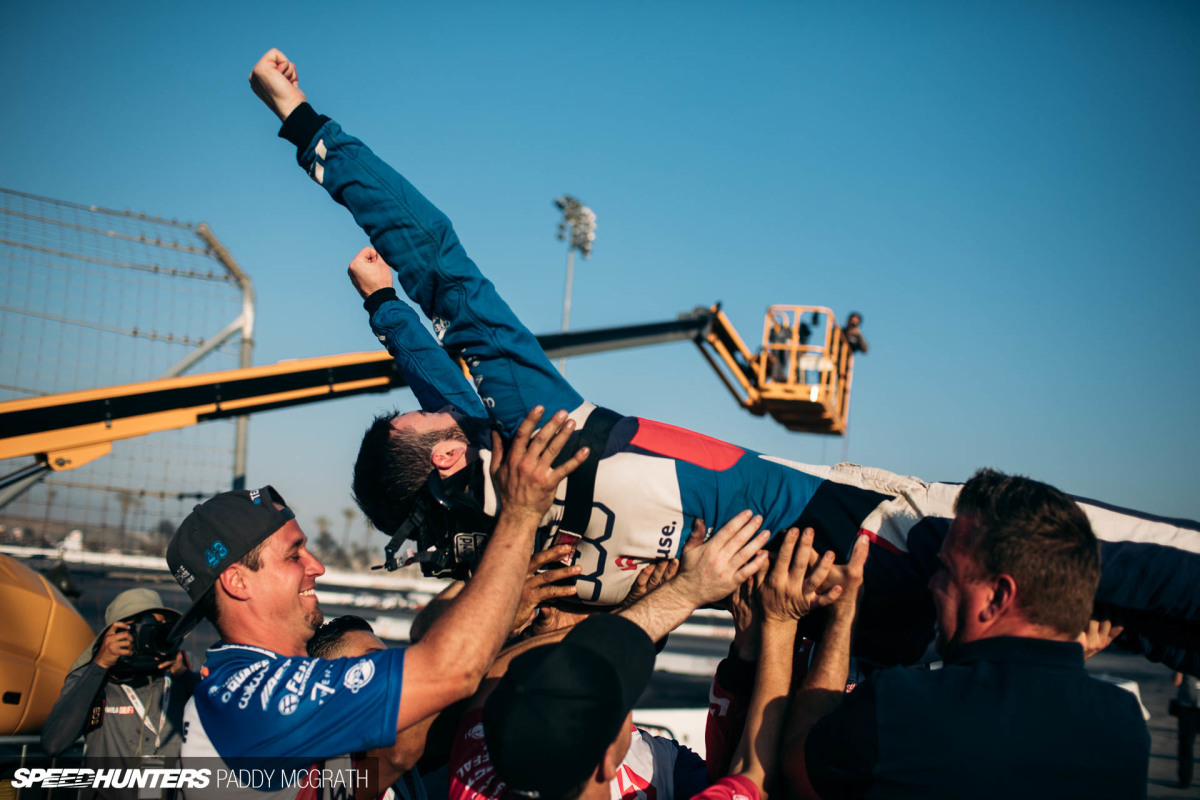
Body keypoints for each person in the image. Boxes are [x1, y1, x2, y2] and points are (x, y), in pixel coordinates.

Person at [248, 48, 1200, 675]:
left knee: (1111, 625)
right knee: (1130, 561)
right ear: (452, 453)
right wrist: (306, 125)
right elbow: (443, 264)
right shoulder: (543, 428)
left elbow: (436, 388)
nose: (441, 405)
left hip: (821, 631)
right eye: (431, 421)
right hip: (877, 537)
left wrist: (385, 311)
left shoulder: (514, 557)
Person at [168, 407, 589, 798]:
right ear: (237, 581)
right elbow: (443, 680)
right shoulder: (246, 696)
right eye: (294, 555)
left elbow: (388, 758)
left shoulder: (265, 691)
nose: (317, 567)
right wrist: (519, 514)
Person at [782, 468, 1151, 799]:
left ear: (998, 597)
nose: (932, 584)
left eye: (946, 570)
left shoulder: (899, 705)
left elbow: (798, 774)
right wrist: (1063, 653)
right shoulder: (1123, 725)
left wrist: (843, 615)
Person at [458, 525, 859, 800]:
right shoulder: (476, 756)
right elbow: (755, 770)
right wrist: (782, 620)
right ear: (608, 761)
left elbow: (497, 674)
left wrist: (641, 610)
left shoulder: (474, 779)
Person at [40, 588, 200, 799]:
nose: (151, 637)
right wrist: (100, 666)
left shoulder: (184, 666)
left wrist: (185, 677)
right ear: (116, 634)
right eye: (143, 630)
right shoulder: (93, 674)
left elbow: (224, 721)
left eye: (160, 629)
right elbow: (53, 743)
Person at [306, 616, 429, 800]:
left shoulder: (408, 775)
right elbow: (397, 757)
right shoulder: (313, 766)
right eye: (374, 661)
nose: (392, 671)